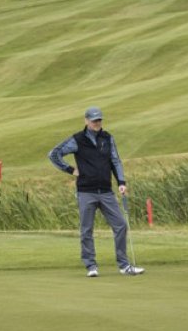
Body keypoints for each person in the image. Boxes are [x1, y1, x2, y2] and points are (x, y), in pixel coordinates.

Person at [48, 107, 144, 277]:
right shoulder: (77, 139)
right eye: (93, 120)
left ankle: (124, 265)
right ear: (86, 121)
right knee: (87, 229)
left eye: (99, 120)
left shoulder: (107, 138)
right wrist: (70, 170)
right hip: (86, 191)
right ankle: (91, 265)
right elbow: (54, 154)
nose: (97, 123)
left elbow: (115, 160)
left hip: (106, 191)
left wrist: (121, 182)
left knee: (121, 225)